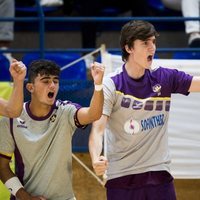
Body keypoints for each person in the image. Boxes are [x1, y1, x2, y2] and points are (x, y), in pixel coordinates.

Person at [89, 20, 200, 200]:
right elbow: (98, 129)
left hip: (158, 173)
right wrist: (95, 157)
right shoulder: (112, 84)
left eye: (153, 42)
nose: (152, 48)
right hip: (122, 177)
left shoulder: (164, 77)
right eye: (145, 43)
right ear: (129, 48)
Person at [0, 59, 104, 200]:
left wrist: (98, 85)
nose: (52, 85)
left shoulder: (66, 111)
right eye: (45, 81)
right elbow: (3, 167)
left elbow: (94, 114)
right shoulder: (10, 120)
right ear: (30, 87)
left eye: (56, 81)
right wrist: (25, 197)